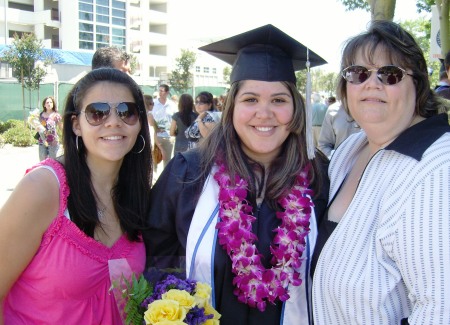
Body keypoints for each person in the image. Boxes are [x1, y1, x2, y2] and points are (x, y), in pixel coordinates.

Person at [144, 24, 329, 325]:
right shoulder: (189, 174)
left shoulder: (318, 179)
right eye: (251, 99)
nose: (265, 113)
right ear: (231, 107)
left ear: (296, 109)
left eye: (279, 100)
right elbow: (156, 254)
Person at [311, 20, 450, 324]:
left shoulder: (437, 168)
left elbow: (441, 307)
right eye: (358, 73)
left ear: (418, 84)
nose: (371, 84)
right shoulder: (351, 148)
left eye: (390, 74)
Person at [0, 68, 152, 324]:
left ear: (139, 123)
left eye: (126, 111)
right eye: (97, 112)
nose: (114, 121)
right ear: (75, 125)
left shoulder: (138, 195)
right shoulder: (43, 188)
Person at [148, 84, 176, 170]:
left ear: (167, 92)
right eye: (159, 90)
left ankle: (165, 180)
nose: (160, 92)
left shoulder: (172, 104)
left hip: (168, 136)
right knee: (154, 160)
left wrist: (173, 134)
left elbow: (175, 119)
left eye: (162, 91)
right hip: (156, 136)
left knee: (167, 161)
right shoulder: (153, 103)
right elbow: (150, 118)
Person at [38, 96, 62, 161]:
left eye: (51, 102)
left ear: (53, 104)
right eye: (47, 102)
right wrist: (37, 128)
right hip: (42, 141)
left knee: (53, 161)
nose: (49, 104)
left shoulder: (56, 115)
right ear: (44, 105)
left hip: (53, 142)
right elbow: (39, 126)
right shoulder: (41, 115)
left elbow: (61, 127)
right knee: (42, 161)